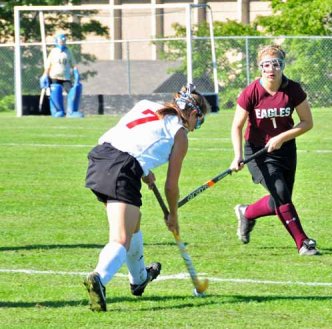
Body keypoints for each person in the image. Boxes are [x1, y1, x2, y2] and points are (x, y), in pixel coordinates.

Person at [83, 84, 209, 312]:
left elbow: (130, 139)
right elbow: (171, 186)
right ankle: (99, 279)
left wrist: (144, 170)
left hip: (100, 159)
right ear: (192, 113)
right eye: (199, 121)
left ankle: (139, 278)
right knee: (121, 238)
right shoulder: (180, 134)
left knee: (134, 221)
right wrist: (173, 215)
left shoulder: (146, 105)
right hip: (122, 169)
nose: (195, 127)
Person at [230, 44, 319, 256]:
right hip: (258, 152)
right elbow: (237, 126)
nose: (271, 69)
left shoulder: (293, 89)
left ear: (283, 66)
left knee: (281, 197)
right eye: (266, 65)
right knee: (280, 194)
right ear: (260, 67)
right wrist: (238, 156)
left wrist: (282, 137)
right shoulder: (251, 92)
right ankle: (303, 243)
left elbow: (307, 122)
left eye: (276, 64)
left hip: (285, 150)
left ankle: (247, 212)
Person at [39, 33, 83, 118]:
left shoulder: (68, 51)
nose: (62, 42)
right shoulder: (53, 52)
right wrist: (45, 75)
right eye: (60, 41)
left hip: (65, 77)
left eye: (63, 41)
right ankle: (57, 112)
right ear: (56, 42)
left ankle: (71, 112)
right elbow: (48, 65)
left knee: (72, 91)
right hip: (54, 77)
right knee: (56, 91)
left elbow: (73, 63)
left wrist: (76, 72)